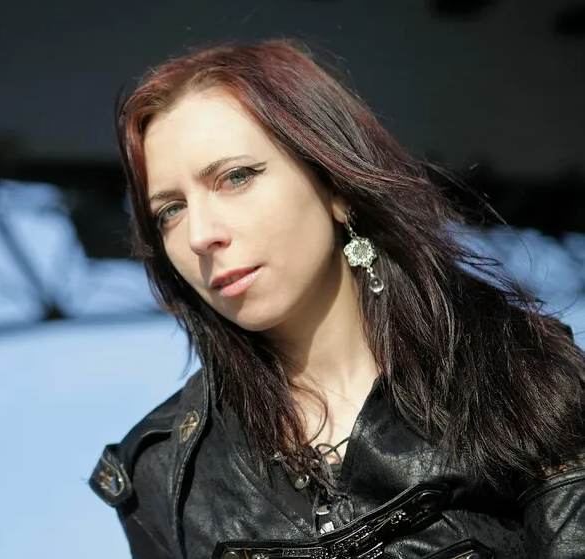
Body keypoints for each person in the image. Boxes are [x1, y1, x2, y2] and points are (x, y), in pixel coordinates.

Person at [88, 39, 585, 559]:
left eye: (234, 177)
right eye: (170, 210)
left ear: (335, 186)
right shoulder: (165, 475)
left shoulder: (520, 374)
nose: (200, 235)